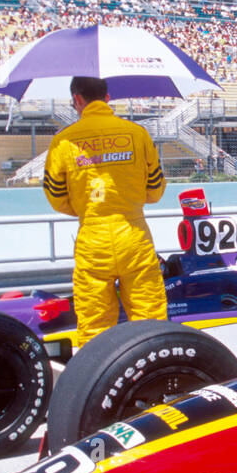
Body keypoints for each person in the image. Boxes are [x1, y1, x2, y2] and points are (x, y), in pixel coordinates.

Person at [43, 76, 167, 346]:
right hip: (134, 236)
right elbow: (156, 190)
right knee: (151, 322)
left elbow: (55, 197)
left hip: (92, 240)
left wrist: (87, 207)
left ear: (77, 99)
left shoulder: (63, 141)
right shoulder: (137, 134)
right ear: (107, 98)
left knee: (94, 330)